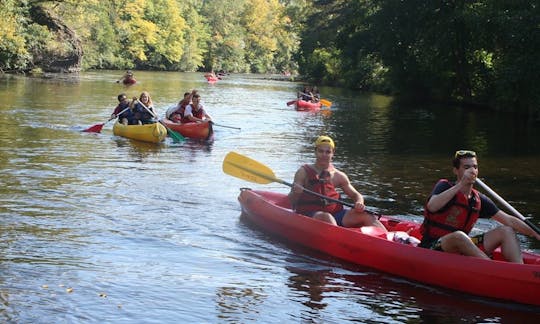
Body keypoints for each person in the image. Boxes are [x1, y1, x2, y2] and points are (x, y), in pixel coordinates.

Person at [420, 150, 540, 263]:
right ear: (456, 171)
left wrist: (535, 233)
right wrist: (462, 183)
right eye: (466, 167)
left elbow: (509, 220)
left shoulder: (478, 199)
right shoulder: (444, 186)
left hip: (461, 247)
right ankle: (492, 268)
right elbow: (432, 206)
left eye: (475, 167)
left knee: (506, 230)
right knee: (459, 236)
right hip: (433, 246)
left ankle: (519, 270)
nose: (472, 170)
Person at [288, 135, 387, 231]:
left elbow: (356, 195)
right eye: (321, 151)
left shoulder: (339, 175)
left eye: (328, 152)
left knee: (366, 214)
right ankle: (342, 240)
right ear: (315, 151)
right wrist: (296, 192)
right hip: (309, 214)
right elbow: (291, 200)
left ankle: (389, 241)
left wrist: (359, 203)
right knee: (326, 217)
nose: (324, 155)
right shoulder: (303, 172)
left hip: (336, 214)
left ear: (333, 153)